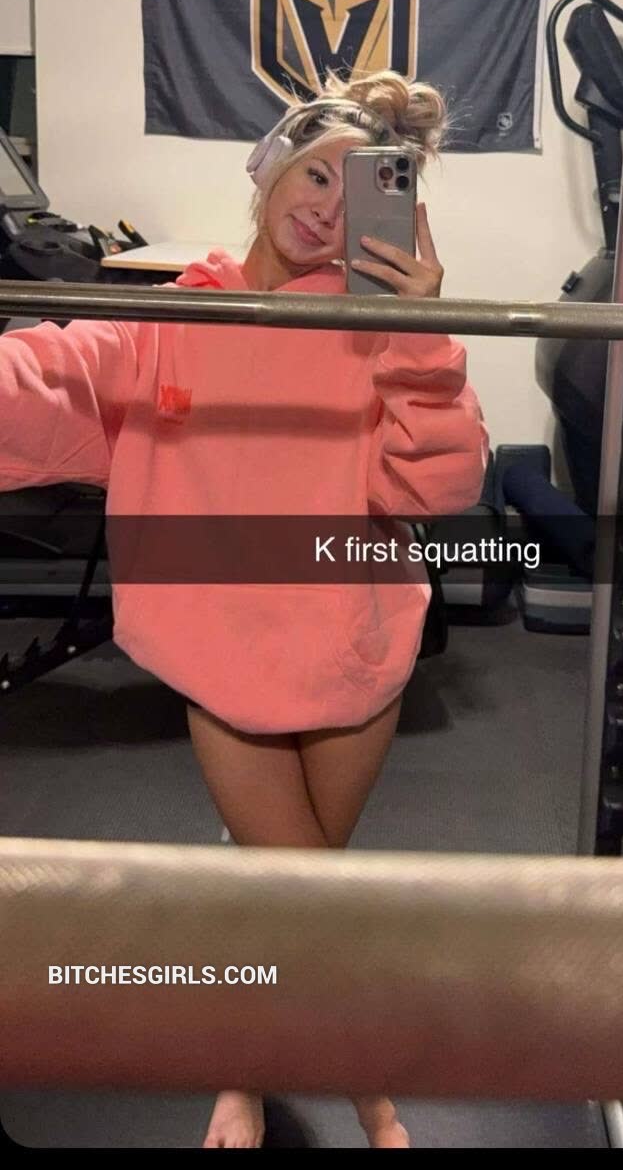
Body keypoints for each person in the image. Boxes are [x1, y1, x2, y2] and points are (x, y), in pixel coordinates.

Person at [0, 68, 487, 1149]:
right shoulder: (179, 313)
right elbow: (51, 372)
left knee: (284, 897)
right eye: (316, 174)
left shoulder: (378, 328)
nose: (326, 208)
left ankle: (242, 1064)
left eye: (358, 192)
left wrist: (423, 332)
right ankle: (368, 1084)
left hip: (356, 648)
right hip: (230, 664)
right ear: (270, 170)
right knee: (305, 893)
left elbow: (445, 487)